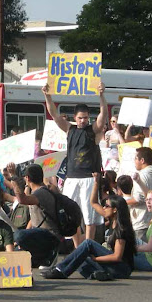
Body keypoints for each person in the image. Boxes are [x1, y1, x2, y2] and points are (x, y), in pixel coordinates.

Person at [41, 81, 107, 243]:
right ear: (75, 118)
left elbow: (103, 115)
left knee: (89, 215)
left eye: (85, 118)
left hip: (89, 178)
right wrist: (47, 95)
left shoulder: (93, 130)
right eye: (80, 118)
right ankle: (78, 247)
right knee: (71, 214)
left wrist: (101, 95)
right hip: (71, 178)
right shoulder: (69, 129)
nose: (83, 121)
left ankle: (89, 246)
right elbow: (54, 115)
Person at [42, 173, 136, 280]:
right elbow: (93, 203)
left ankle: (60, 270)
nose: (104, 207)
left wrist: (96, 259)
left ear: (115, 210)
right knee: (78, 257)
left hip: (122, 269)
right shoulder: (110, 218)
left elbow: (117, 257)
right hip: (114, 268)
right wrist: (96, 182)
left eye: (107, 206)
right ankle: (98, 274)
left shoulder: (122, 229)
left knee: (88, 243)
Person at [8, 163, 61, 268]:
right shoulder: (38, 192)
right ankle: (40, 257)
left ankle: (50, 254)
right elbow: (33, 217)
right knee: (20, 238)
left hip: (49, 236)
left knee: (18, 235)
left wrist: (13, 177)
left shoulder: (41, 193)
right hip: (41, 234)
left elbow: (22, 200)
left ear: (27, 178)